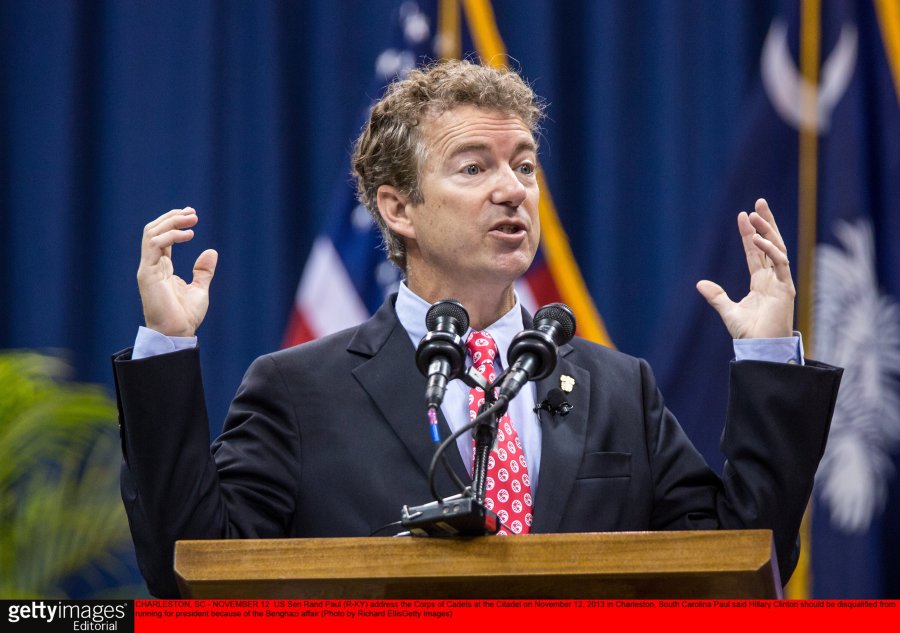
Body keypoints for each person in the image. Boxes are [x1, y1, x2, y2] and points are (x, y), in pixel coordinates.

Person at [114, 59, 842, 598]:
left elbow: (743, 562)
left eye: (524, 166)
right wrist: (168, 347)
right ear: (398, 209)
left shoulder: (620, 386)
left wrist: (767, 354)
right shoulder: (298, 391)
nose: (512, 189)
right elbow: (192, 567)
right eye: (475, 167)